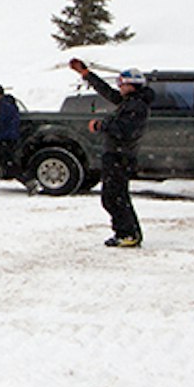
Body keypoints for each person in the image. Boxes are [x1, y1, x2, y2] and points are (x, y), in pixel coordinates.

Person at [72, 58, 153, 248]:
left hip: (120, 156)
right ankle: (125, 232)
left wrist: (101, 125)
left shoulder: (136, 106)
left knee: (114, 197)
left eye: (122, 84)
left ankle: (128, 233)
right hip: (115, 154)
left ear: (132, 85)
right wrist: (87, 75)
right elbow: (108, 93)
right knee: (113, 197)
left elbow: (124, 129)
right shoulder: (131, 102)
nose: (119, 88)